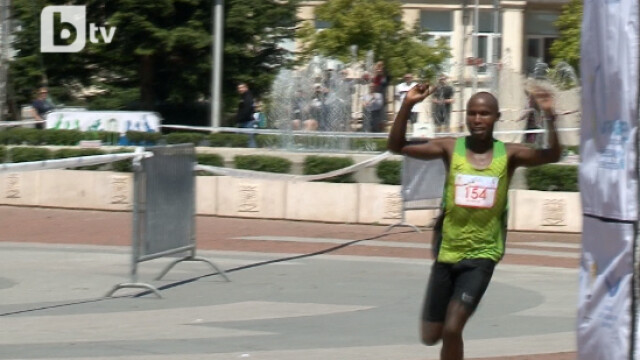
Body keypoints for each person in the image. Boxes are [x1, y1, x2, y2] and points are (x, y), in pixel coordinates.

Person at [388, 83, 561, 360]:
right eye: (472, 113)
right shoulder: (449, 148)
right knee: (431, 335)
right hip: (447, 252)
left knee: (453, 329)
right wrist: (408, 105)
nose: (477, 120)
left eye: (484, 114)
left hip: (482, 255)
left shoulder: (509, 154)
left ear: (496, 117)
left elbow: (552, 154)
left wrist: (550, 116)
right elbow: (397, 146)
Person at [236, 82, 257, 148]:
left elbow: (248, 109)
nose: (240, 89)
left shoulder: (248, 97)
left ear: (246, 88)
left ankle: (252, 154)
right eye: (239, 88)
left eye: (242, 88)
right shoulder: (243, 97)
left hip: (247, 122)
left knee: (249, 140)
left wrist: (240, 118)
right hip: (244, 121)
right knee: (243, 139)